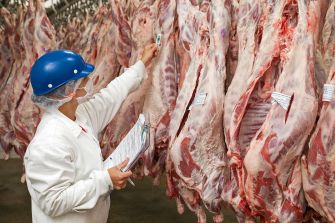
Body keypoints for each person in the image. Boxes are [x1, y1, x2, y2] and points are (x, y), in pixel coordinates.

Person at [24, 43, 158, 223]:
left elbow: (112, 95)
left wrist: (142, 62)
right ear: (69, 91)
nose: (89, 81)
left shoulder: (78, 114)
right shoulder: (48, 142)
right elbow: (53, 202)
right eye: (84, 79)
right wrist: (105, 180)